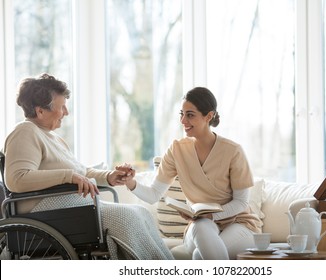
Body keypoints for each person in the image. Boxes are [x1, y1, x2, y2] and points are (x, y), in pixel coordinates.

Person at [2, 73, 173, 260]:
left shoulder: (53, 137)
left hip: (68, 207)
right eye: (62, 107)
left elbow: (82, 172)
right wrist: (68, 176)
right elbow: (16, 180)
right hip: (45, 211)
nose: (66, 112)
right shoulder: (25, 132)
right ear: (40, 111)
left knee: (141, 212)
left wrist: (110, 176)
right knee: (127, 218)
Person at [119, 87, 262, 259]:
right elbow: (154, 194)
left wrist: (212, 215)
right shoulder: (177, 150)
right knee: (201, 226)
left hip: (239, 223)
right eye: (182, 114)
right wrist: (130, 183)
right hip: (200, 225)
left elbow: (240, 202)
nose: (183, 120)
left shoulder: (233, 151)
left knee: (198, 256)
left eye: (190, 115)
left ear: (208, 116)